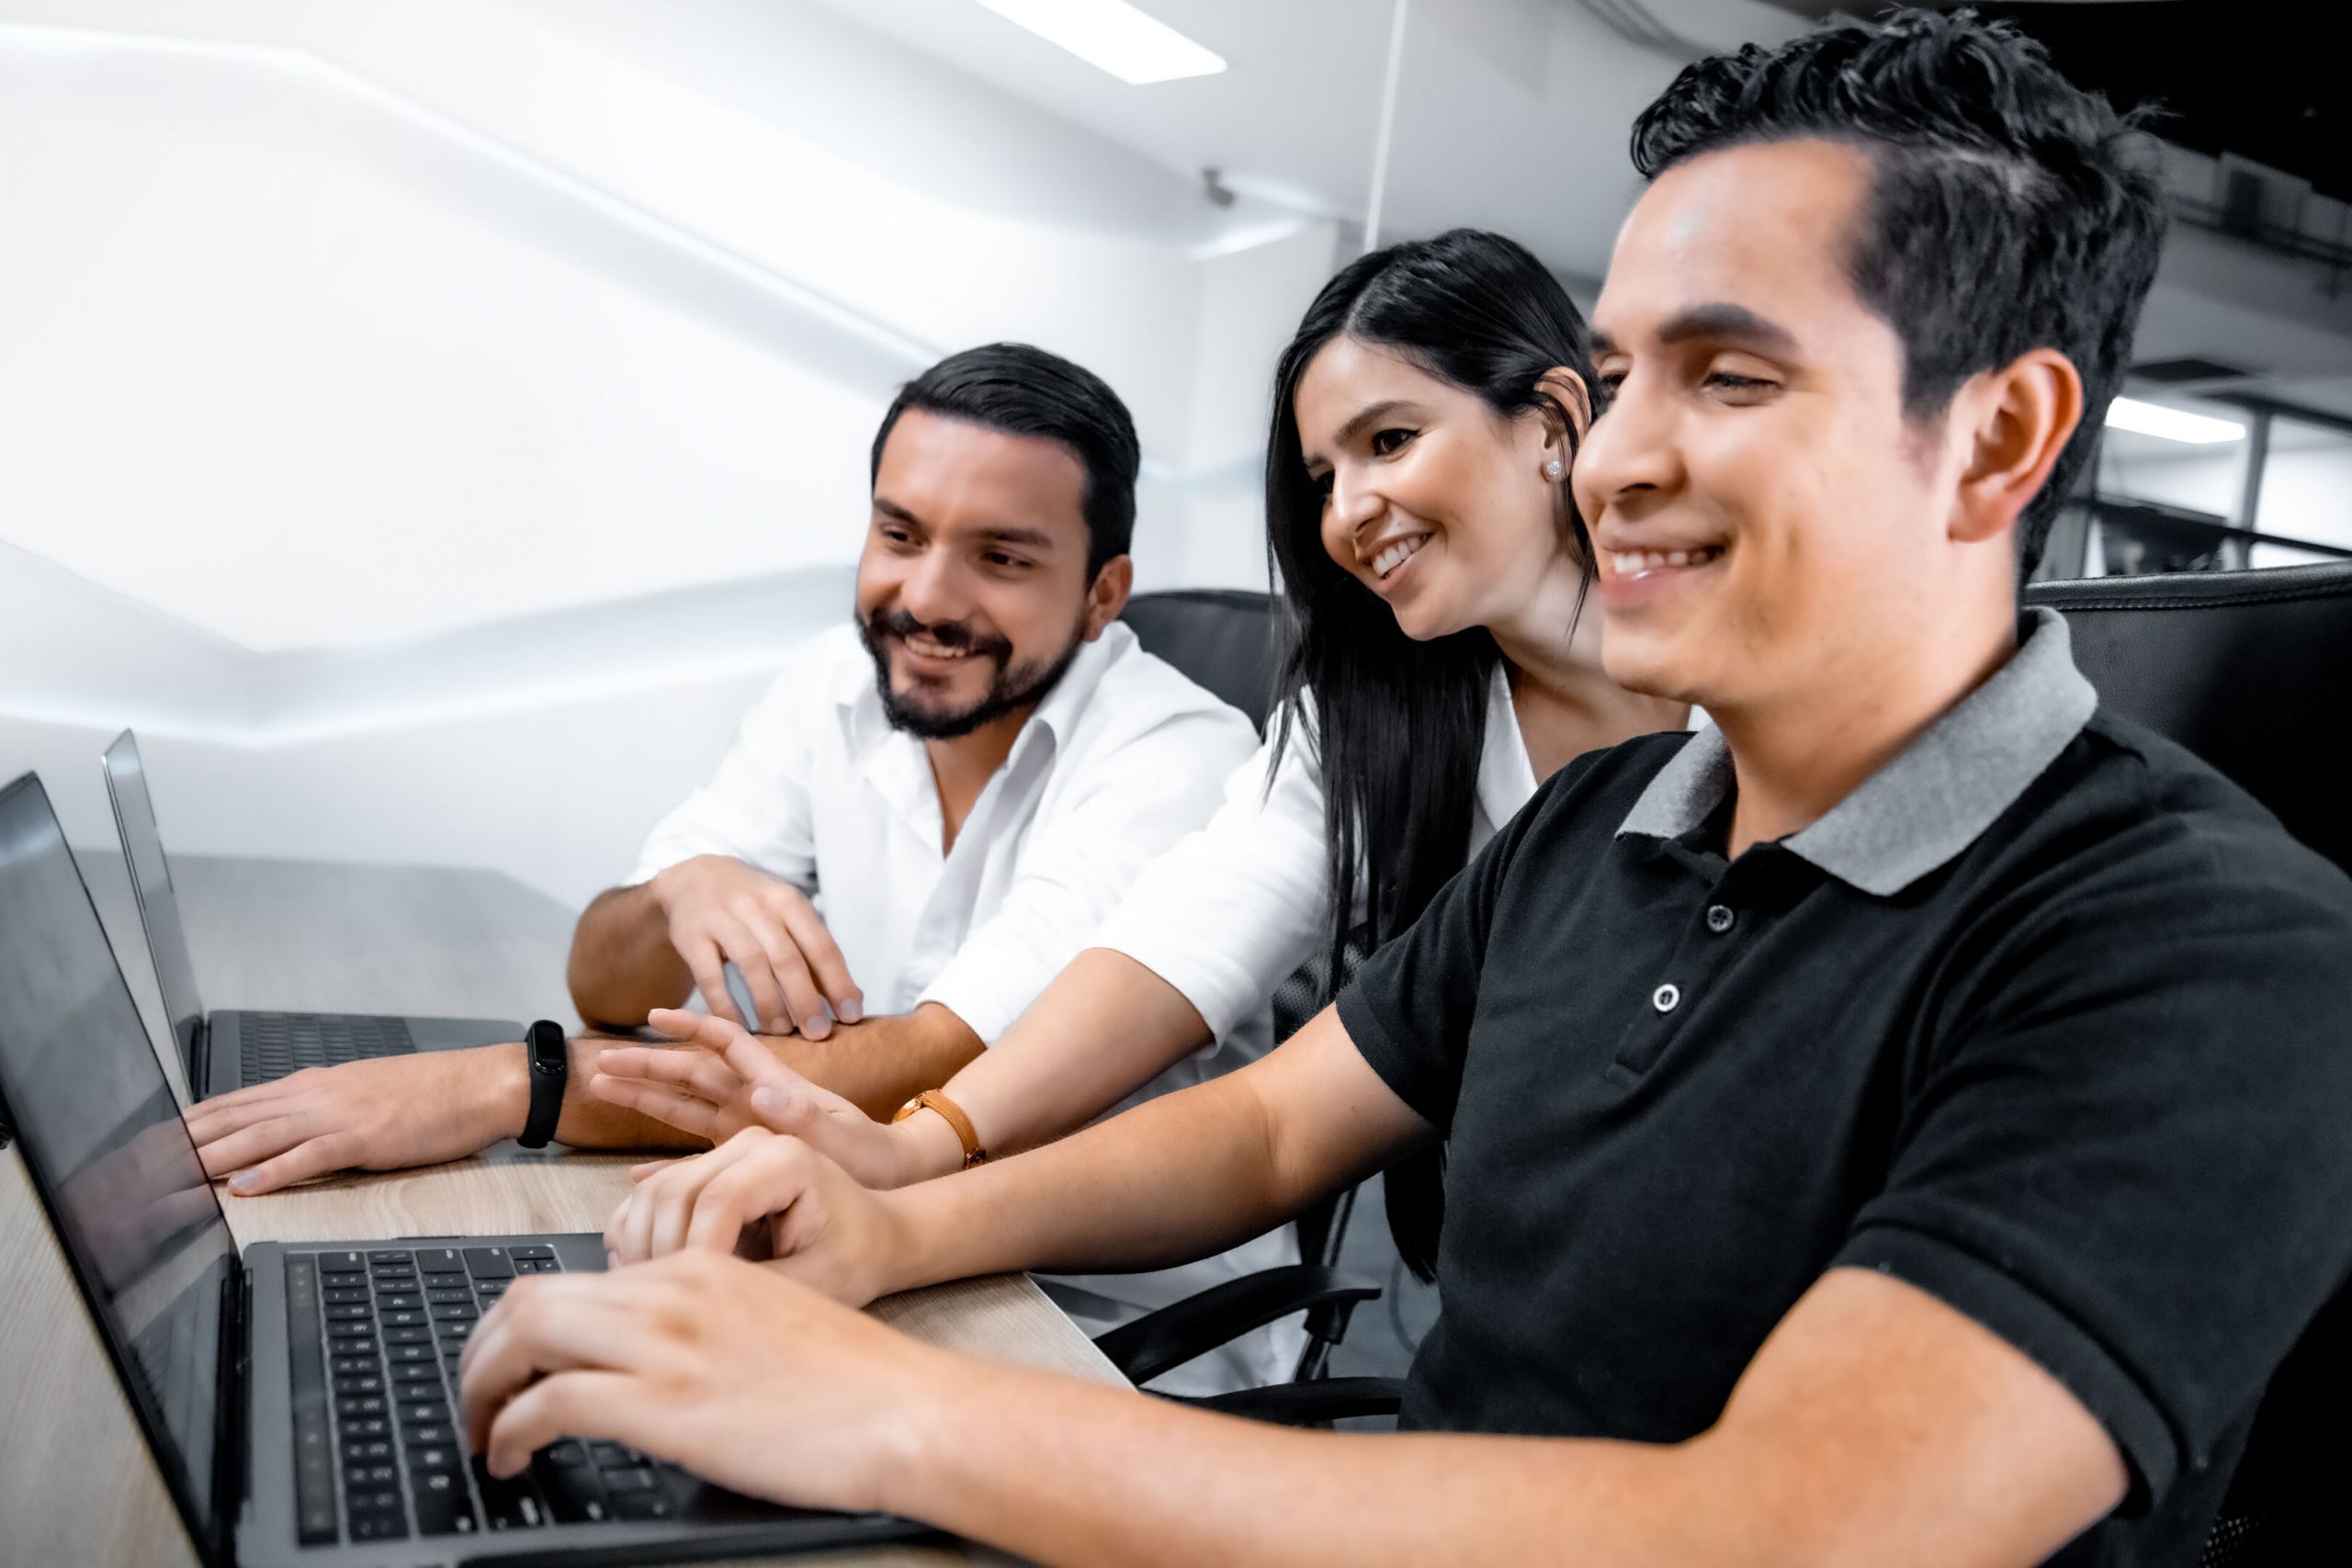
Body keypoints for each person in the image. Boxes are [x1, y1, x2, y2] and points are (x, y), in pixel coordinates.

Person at [459, 13, 2352, 1566]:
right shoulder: (1589, 834)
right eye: (1611, 378)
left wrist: (901, 1412)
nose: (1611, 458)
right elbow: (1270, 1128)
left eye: (1726, 377)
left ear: (1996, 436)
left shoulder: (2206, 948)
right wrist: (892, 1221)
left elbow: (1781, 1528)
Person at [584, 230, 1691, 1296]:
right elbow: (1174, 951)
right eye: (1320, 476)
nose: (1349, 511)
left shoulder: (1748, 699)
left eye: (1390, 441)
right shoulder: (1362, 722)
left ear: (1553, 421)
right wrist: (928, 1149)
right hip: (1523, 1263)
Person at [181, 345, 1283, 1388]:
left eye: (999, 558)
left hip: (1096, 1329)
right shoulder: (834, 685)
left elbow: (926, 1073)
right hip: (852, 1235)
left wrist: (503, 1085)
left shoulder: (1178, 761)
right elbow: (607, 984)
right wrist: (680, 893)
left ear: (1102, 592)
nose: (931, 600)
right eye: (900, 535)